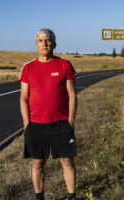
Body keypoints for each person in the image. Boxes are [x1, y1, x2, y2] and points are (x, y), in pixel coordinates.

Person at [19, 28, 77, 200]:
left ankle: (72, 196)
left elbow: (72, 95)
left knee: (67, 161)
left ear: (54, 43)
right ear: (36, 44)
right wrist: (26, 123)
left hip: (61, 123)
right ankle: (39, 197)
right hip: (36, 124)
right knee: (38, 163)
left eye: (48, 40)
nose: (45, 43)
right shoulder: (28, 68)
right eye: (41, 40)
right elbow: (23, 97)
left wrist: (71, 121)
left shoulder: (65, 65)